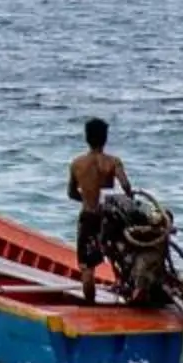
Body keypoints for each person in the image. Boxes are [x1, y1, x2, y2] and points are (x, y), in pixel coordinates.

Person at [68, 117, 136, 305]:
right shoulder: (113, 162)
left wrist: (88, 198)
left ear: (86, 138)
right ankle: (130, 292)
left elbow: (71, 193)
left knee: (87, 268)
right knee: (123, 258)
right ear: (105, 139)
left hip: (88, 217)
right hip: (110, 219)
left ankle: (90, 304)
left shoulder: (76, 164)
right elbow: (127, 188)